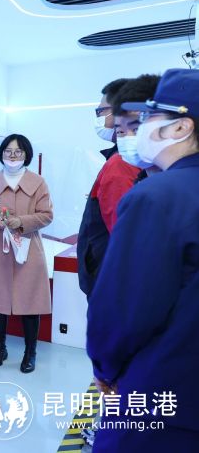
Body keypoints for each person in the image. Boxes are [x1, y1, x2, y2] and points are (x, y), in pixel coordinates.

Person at [87, 68, 199, 450]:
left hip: (158, 388)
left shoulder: (156, 196)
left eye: (148, 117)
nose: (135, 131)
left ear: (180, 126)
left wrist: (105, 366)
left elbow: (124, 307)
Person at [0, 134, 53, 373]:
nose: (12, 155)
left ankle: (30, 353)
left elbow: (47, 215)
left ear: (26, 154)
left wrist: (22, 221)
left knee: (31, 302)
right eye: (8, 151)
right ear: (1, 154)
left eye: (18, 151)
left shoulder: (38, 182)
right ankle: (0, 348)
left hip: (28, 249)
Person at [77, 78, 140, 298]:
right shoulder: (122, 159)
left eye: (100, 111)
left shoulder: (121, 162)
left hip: (110, 280)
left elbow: (123, 233)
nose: (98, 117)